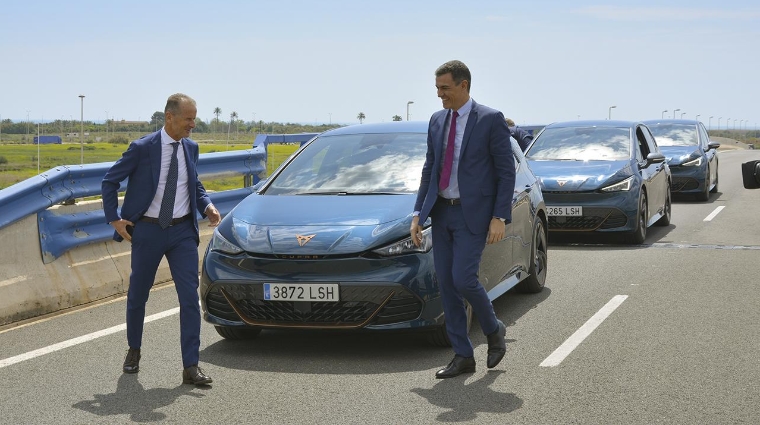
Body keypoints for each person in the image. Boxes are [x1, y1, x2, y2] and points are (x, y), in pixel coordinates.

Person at [102, 93, 221, 386]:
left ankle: (191, 367)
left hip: (182, 232)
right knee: (138, 295)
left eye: (194, 118)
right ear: (170, 117)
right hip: (148, 231)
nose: (193, 124)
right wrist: (114, 218)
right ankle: (134, 350)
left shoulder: (191, 148)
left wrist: (206, 205)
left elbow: (194, 184)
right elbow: (109, 181)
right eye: (188, 118)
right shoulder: (143, 148)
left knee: (189, 299)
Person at [410, 60, 516, 379]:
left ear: (463, 86)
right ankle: (462, 355)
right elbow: (430, 168)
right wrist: (418, 213)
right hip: (442, 213)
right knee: (446, 284)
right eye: (437, 89)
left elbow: (505, 171)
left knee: (463, 279)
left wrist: (499, 216)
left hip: (474, 214)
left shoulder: (490, 119)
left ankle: (493, 329)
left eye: (445, 88)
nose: (440, 95)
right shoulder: (437, 121)